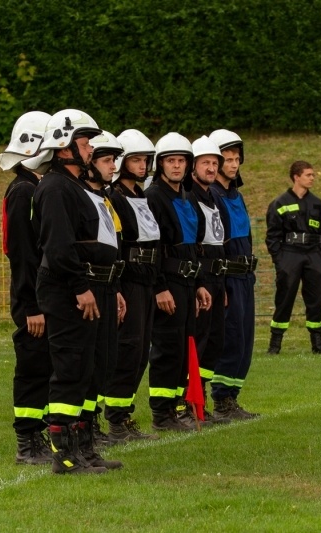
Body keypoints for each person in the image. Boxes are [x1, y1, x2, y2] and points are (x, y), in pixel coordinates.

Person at [32, 109, 122, 474]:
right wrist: (82, 287)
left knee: (93, 368)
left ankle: (85, 448)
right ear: (63, 148)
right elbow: (59, 247)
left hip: (95, 286)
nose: (89, 151)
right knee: (71, 368)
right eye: (84, 144)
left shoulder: (76, 187)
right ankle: (64, 454)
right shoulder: (54, 188)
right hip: (70, 289)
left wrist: (108, 286)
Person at [0, 110, 53, 465]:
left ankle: (39, 434)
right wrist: (32, 305)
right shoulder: (22, 191)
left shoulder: (34, 187)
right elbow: (23, 254)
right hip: (31, 295)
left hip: (41, 293)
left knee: (46, 364)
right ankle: (27, 442)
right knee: (33, 366)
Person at [145, 132, 212, 431]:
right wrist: (160, 287)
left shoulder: (187, 198)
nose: (176, 166)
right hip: (168, 282)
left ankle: (175, 408)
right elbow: (154, 247)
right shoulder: (154, 197)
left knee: (185, 349)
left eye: (181, 161)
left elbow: (194, 247)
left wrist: (198, 283)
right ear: (160, 165)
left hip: (187, 282)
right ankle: (161, 413)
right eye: (170, 161)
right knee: (166, 349)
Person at [104, 129, 161, 443]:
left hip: (147, 278)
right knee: (128, 348)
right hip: (129, 279)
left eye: (145, 159)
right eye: (136, 159)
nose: (142, 165)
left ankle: (123, 414)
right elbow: (118, 242)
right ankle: (114, 418)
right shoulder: (114, 196)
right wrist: (120, 288)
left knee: (141, 352)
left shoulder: (141, 194)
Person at [77, 131, 128, 452]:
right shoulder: (80, 196)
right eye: (107, 160)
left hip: (110, 286)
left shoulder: (106, 198)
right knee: (89, 359)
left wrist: (117, 288)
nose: (113, 167)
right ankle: (84, 424)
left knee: (106, 358)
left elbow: (116, 244)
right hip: (89, 287)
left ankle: (91, 421)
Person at [208, 129, 259, 420]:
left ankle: (232, 397)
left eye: (236, 159)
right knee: (230, 337)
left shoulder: (236, 195)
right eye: (227, 159)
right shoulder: (212, 195)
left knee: (244, 339)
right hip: (227, 278)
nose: (232, 164)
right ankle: (221, 399)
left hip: (244, 277)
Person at [181, 135, 228, 426]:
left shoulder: (214, 197)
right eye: (205, 163)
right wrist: (200, 282)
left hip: (217, 277)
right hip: (201, 275)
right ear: (193, 167)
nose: (211, 168)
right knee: (197, 341)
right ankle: (188, 402)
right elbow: (192, 243)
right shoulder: (188, 197)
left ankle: (203, 399)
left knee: (214, 342)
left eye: (214, 163)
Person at [265, 161, 321, 355]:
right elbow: (272, 236)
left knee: (315, 298)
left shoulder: (318, 204)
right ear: (296, 177)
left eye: (313, 175)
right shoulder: (280, 203)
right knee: (284, 298)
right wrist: (280, 260)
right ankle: (275, 343)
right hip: (290, 254)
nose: (312, 178)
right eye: (308, 175)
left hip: (314, 255)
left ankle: (317, 343)